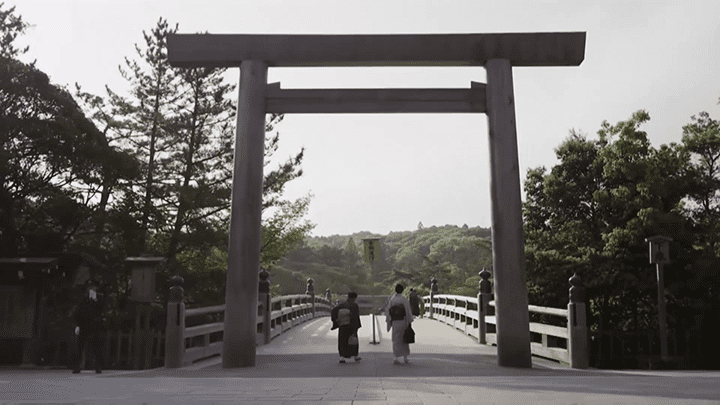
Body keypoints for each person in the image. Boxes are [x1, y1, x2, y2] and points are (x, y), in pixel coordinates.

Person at [73, 279, 106, 374]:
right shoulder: (83, 298)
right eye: (89, 287)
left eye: (93, 287)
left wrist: (95, 299)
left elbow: (102, 310)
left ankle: (98, 366)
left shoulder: (101, 298)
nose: (91, 289)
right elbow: (78, 312)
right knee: (80, 346)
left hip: (96, 325)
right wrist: (77, 325)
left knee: (97, 347)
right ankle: (77, 366)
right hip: (84, 324)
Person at [330, 291, 362, 363]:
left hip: (343, 325)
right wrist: (356, 327)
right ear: (354, 298)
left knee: (342, 341)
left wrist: (336, 320)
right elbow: (356, 317)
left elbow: (333, 311)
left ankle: (342, 357)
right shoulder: (354, 306)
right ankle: (355, 356)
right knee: (353, 340)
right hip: (351, 325)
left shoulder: (342, 305)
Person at [386, 284, 414, 364]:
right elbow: (408, 311)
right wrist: (409, 321)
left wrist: (389, 322)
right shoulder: (403, 299)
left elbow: (388, 312)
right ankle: (405, 357)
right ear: (402, 290)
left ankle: (395, 357)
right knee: (404, 339)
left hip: (395, 322)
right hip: (403, 321)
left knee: (396, 339)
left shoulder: (392, 300)